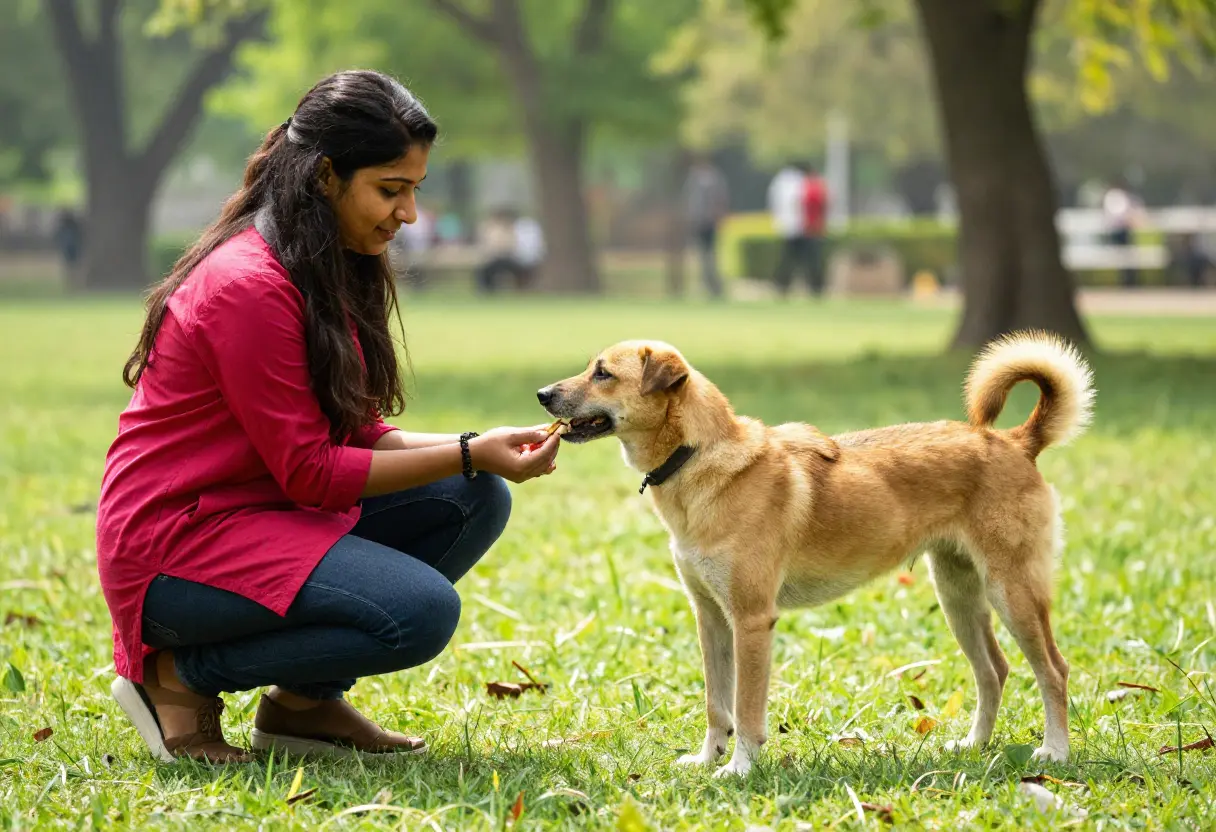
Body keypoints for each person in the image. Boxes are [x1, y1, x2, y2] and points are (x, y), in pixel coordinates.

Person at [96, 70, 562, 765]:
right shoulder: (247, 286)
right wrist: (469, 450)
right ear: (324, 176)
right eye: (390, 189)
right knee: (420, 612)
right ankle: (175, 679)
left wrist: (478, 452)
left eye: (415, 191)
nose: (407, 213)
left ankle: (303, 707)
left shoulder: (321, 260)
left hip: (259, 512)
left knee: (472, 498)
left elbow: (356, 431)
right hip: (178, 545)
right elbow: (312, 472)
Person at [683, 154, 729, 298]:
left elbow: (721, 199)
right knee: (702, 256)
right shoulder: (694, 179)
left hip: (710, 222)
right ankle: (705, 285)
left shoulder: (715, 178)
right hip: (698, 221)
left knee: (710, 256)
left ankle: (715, 287)